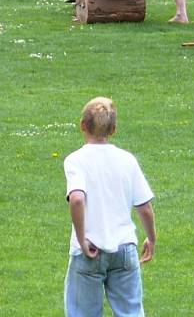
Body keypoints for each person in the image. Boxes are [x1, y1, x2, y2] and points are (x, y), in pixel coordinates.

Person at [63, 96, 156, 317]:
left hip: (90, 251)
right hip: (125, 250)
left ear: (82, 125)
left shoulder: (75, 160)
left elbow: (76, 199)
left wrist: (82, 238)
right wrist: (151, 238)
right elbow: (144, 206)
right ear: (113, 129)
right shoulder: (127, 160)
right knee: (131, 312)